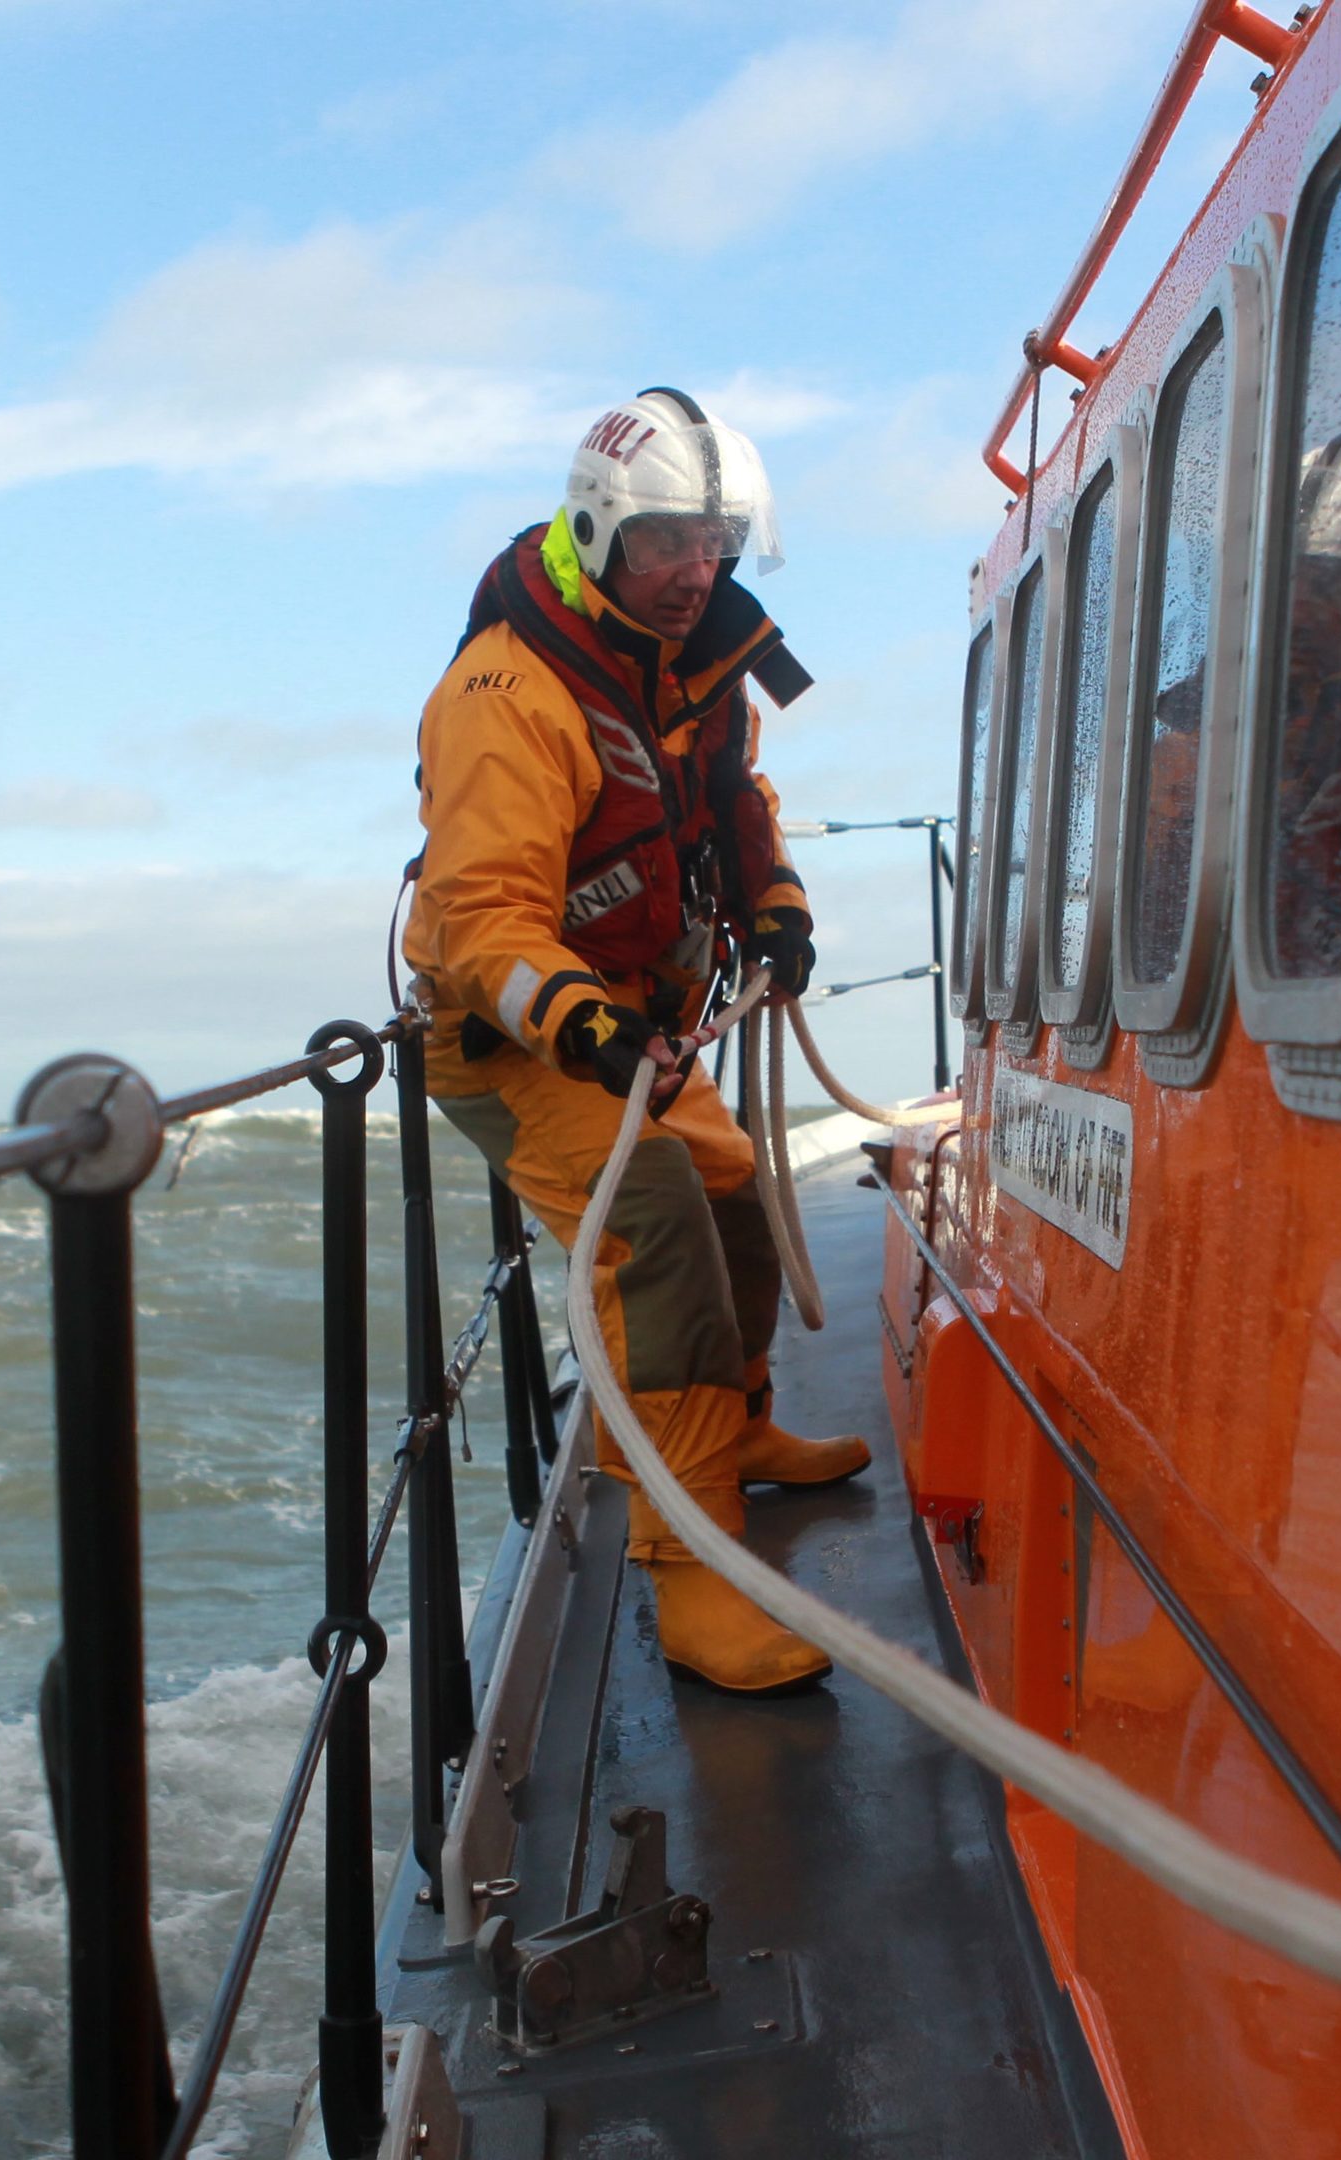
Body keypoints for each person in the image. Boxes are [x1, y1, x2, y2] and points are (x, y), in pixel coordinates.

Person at [401, 388, 867, 1695]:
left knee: (737, 1202)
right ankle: (689, 1567)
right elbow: (481, 918)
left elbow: (736, 798)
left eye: (716, 542)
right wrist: (583, 1023)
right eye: (669, 541)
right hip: (515, 1036)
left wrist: (776, 909)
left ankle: (739, 1425)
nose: (696, 572)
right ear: (601, 529)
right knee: (654, 1223)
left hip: (635, 1025)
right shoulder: (510, 690)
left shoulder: (691, 660)